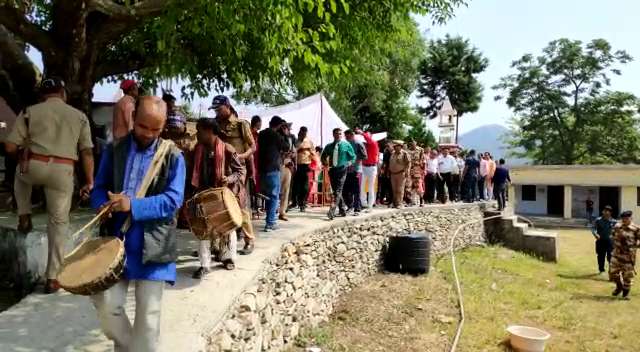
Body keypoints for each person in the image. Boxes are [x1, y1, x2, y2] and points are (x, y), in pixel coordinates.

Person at [90, 96, 186, 351]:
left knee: (148, 320)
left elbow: (173, 200)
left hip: (154, 244)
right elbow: (99, 188)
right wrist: (101, 204)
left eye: (157, 129)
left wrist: (132, 205)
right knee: (107, 305)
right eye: (144, 127)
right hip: (116, 242)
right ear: (133, 120)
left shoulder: (174, 156)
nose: (150, 134)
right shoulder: (114, 149)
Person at [5, 77, 94, 294]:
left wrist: (22, 156)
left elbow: (9, 146)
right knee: (58, 222)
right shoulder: (80, 117)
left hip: (33, 165)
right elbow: (87, 152)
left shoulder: (28, 112)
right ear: (63, 94)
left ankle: (24, 216)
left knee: (20, 174)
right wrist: (89, 181)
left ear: (42, 95)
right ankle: (52, 278)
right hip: (63, 171)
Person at [187, 118, 245, 278]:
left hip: (222, 196)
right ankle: (204, 264)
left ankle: (228, 258)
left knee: (227, 228)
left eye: (199, 130)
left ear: (208, 131)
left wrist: (229, 179)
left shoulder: (227, 149)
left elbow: (239, 171)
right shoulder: (197, 150)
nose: (197, 134)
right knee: (202, 229)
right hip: (203, 195)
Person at [210, 95, 255, 254]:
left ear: (228, 106)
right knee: (220, 205)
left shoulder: (240, 124)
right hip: (221, 170)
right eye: (215, 109)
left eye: (219, 109)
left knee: (239, 204)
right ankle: (218, 244)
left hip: (238, 170)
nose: (217, 112)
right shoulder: (215, 124)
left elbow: (252, 146)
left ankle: (249, 240)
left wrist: (241, 156)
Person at [161, 93, 195, 229]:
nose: (173, 129)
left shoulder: (193, 137)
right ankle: (171, 219)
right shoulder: (165, 133)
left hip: (187, 172)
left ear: (184, 124)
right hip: (168, 172)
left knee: (186, 196)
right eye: (171, 126)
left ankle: (183, 218)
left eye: (177, 126)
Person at [257, 116, 289, 231]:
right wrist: (285, 134)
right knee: (274, 196)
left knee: (267, 196)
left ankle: (269, 219)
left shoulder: (261, 134)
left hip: (261, 169)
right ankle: (270, 222)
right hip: (273, 169)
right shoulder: (277, 136)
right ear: (280, 126)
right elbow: (286, 147)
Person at [321, 128, 356, 220]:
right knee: (336, 190)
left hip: (342, 169)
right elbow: (323, 156)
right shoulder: (329, 146)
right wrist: (324, 162)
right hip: (332, 170)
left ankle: (332, 210)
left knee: (338, 190)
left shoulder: (346, 145)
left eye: (340, 134)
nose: (339, 135)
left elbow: (353, 156)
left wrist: (350, 162)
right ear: (333, 135)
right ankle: (342, 209)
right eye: (337, 134)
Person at [609, 211, 640, 298]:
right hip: (616, 254)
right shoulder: (617, 226)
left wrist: (634, 247)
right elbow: (612, 235)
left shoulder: (636, 228)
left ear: (631, 219)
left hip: (628, 256)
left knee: (627, 275)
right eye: (623, 219)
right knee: (612, 273)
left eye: (627, 219)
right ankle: (619, 286)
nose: (624, 221)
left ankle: (626, 291)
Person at [343, 129, 367, 215]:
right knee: (346, 189)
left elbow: (364, 156)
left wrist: (355, 161)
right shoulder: (346, 144)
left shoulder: (358, 143)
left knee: (356, 190)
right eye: (345, 137)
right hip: (347, 170)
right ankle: (350, 206)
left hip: (357, 170)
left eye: (348, 137)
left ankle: (357, 208)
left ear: (352, 135)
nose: (346, 138)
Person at [292, 126, 315, 212]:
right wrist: (300, 150)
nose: (304, 135)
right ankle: (295, 202)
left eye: (305, 133)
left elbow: (313, 153)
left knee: (305, 187)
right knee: (296, 185)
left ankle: (303, 204)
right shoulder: (295, 141)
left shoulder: (309, 141)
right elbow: (292, 152)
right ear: (300, 132)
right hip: (297, 165)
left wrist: (309, 152)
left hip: (306, 165)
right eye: (303, 133)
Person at [357, 129, 379, 212]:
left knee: (370, 187)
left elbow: (368, 139)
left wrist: (362, 133)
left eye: (368, 135)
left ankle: (370, 205)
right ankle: (363, 204)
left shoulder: (374, 143)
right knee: (362, 186)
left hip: (372, 168)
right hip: (364, 167)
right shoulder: (364, 146)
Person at [278, 122, 296, 220]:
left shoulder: (291, 138)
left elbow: (294, 151)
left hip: (287, 164)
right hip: (278, 163)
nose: (288, 131)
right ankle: (273, 211)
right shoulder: (278, 137)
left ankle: (282, 211)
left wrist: (292, 159)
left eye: (289, 129)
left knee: (286, 189)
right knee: (276, 189)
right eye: (287, 129)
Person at [591, 206, 617, 276]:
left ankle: (611, 270)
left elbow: (618, 231)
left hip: (610, 242)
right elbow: (593, 228)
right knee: (601, 256)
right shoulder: (598, 220)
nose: (604, 213)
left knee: (610, 256)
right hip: (600, 240)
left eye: (606, 211)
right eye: (604, 211)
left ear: (610, 213)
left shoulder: (614, 222)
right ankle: (601, 270)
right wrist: (595, 234)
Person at [389, 141, 410, 208]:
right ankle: (395, 203)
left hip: (401, 173)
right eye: (394, 146)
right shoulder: (392, 154)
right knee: (394, 189)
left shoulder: (404, 153)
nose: (394, 147)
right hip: (393, 173)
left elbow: (408, 163)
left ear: (400, 146)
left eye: (396, 146)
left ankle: (399, 203)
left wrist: (407, 171)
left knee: (400, 189)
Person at [406, 139, 425, 206]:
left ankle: (421, 200)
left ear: (416, 143)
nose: (413, 144)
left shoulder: (420, 150)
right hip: (409, 170)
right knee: (408, 186)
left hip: (417, 169)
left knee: (418, 185)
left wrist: (423, 169)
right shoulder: (407, 151)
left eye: (414, 143)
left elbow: (423, 160)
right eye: (412, 143)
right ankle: (410, 201)